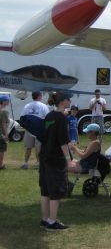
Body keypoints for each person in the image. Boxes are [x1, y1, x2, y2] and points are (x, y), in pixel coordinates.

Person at [39, 92, 78, 230]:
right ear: (62, 101)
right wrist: (69, 160)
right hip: (55, 159)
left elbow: (46, 135)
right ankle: (52, 222)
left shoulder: (50, 116)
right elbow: (63, 142)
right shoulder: (61, 118)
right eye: (68, 99)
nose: (70, 101)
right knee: (56, 190)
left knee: (45, 189)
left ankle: (45, 219)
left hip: (45, 156)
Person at [20, 91, 49, 169]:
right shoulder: (44, 106)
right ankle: (38, 164)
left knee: (28, 148)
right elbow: (47, 119)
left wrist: (27, 127)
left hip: (29, 130)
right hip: (39, 131)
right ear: (39, 96)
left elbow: (22, 117)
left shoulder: (27, 105)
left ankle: (25, 163)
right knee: (38, 148)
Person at [0, 94, 10, 170]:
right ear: (3, 102)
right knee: (1, 150)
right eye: (7, 100)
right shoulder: (4, 111)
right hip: (1, 134)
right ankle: (0, 165)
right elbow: (4, 123)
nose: (8, 102)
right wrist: (6, 135)